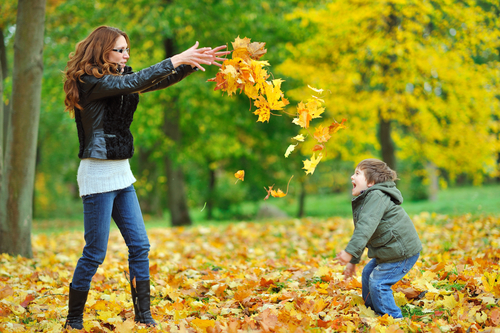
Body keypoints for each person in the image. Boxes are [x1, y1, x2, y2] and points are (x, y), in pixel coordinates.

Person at [62, 25, 229, 329]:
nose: (126, 55)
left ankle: (144, 316)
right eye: (120, 49)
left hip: (122, 174)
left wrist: (189, 64)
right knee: (95, 252)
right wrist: (175, 58)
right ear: (102, 51)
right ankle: (73, 319)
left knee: (140, 246)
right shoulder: (89, 81)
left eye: (127, 49)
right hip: (97, 176)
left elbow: (150, 82)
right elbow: (139, 80)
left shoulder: (121, 78)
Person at [335, 159, 422, 318]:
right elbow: (363, 233)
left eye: (357, 173)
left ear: (371, 182)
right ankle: (373, 310)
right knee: (368, 273)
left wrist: (349, 253)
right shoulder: (369, 198)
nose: (352, 177)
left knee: (379, 283)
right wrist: (353, 261)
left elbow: (365, 228)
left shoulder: (376, 196)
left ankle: (393, 320)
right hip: (390, 250)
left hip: (401, 252)